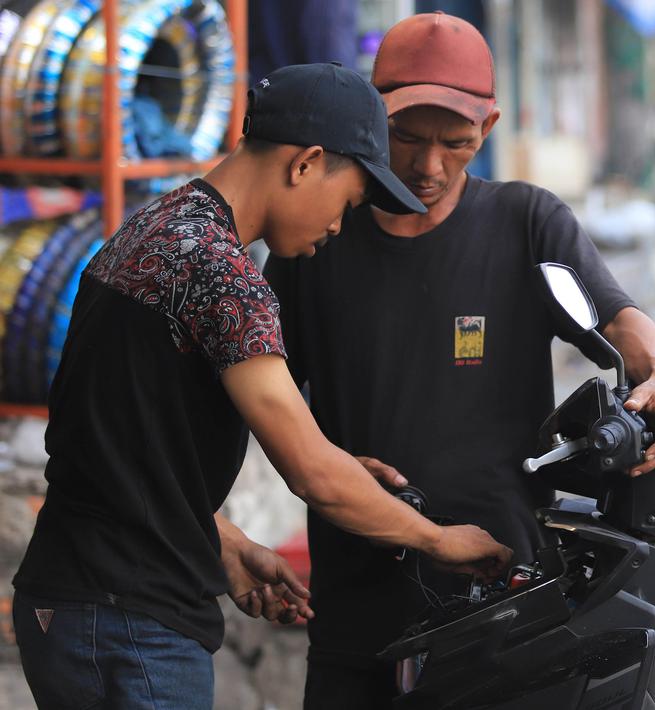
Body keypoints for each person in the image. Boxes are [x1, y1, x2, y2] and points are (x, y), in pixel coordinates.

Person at [11, 62, 512, 710]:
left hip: (67, 603)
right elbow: (313, 472)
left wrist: (225, 541)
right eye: (349, 201)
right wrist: (440, 541)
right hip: (134, 627)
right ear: (305, 164)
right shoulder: (226, 277)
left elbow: (119, 447)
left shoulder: (147, 230)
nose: (338, 227)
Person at [262, 13, 655, 708]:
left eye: (455, 143)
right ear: (372, 120)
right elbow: (263, 385)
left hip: (502, 589)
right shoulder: (317, 233)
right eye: (407, 138)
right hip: (356, 588)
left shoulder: (525, 221)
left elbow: (618, 319)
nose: (429, 167)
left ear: (485, 129)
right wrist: (313, 458)